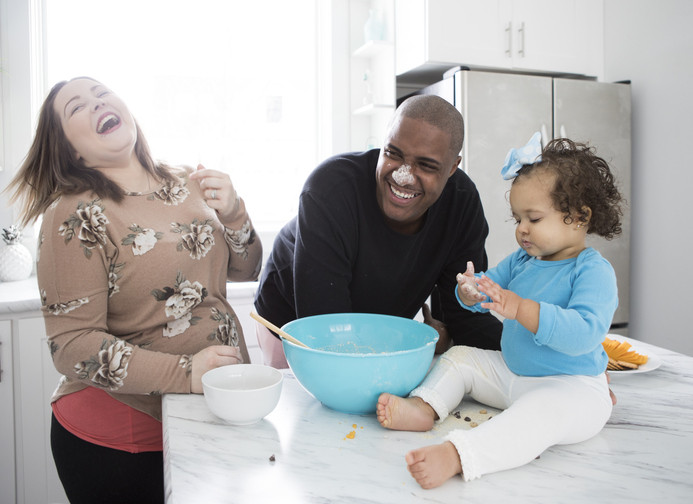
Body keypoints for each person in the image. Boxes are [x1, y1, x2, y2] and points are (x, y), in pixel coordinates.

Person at [4, 77, 262, 503]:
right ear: (71, 150)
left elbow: (244, 269)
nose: (96, 102)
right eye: (76, 107)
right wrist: (188, 374)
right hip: (122, 438)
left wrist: (235, 214)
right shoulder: (73, 213)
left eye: (101, 93)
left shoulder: (187, 180)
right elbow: (71, 346)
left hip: (210, 415)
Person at [376, 134, 623, 489]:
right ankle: (424, 407)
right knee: (460, 358)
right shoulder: (524, 260)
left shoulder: (592, 271)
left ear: (579, 217)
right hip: (512, 375)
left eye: (534, 219)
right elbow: (488, 286)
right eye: (517, 219)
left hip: (571, 388)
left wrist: (521, 308)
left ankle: (459, 455)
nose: (522, 229)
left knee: (538, 417)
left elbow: (584, 333)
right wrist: (469, 291)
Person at [254, 95, 502, 368]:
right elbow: (325, 330)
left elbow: (463, 315)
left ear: (453, 167)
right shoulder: (330, 189)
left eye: (426, 165)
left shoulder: (461, 204)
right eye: (393, 153)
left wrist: (529, 355)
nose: (403, 175)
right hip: (294, 324)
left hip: (378, 332)